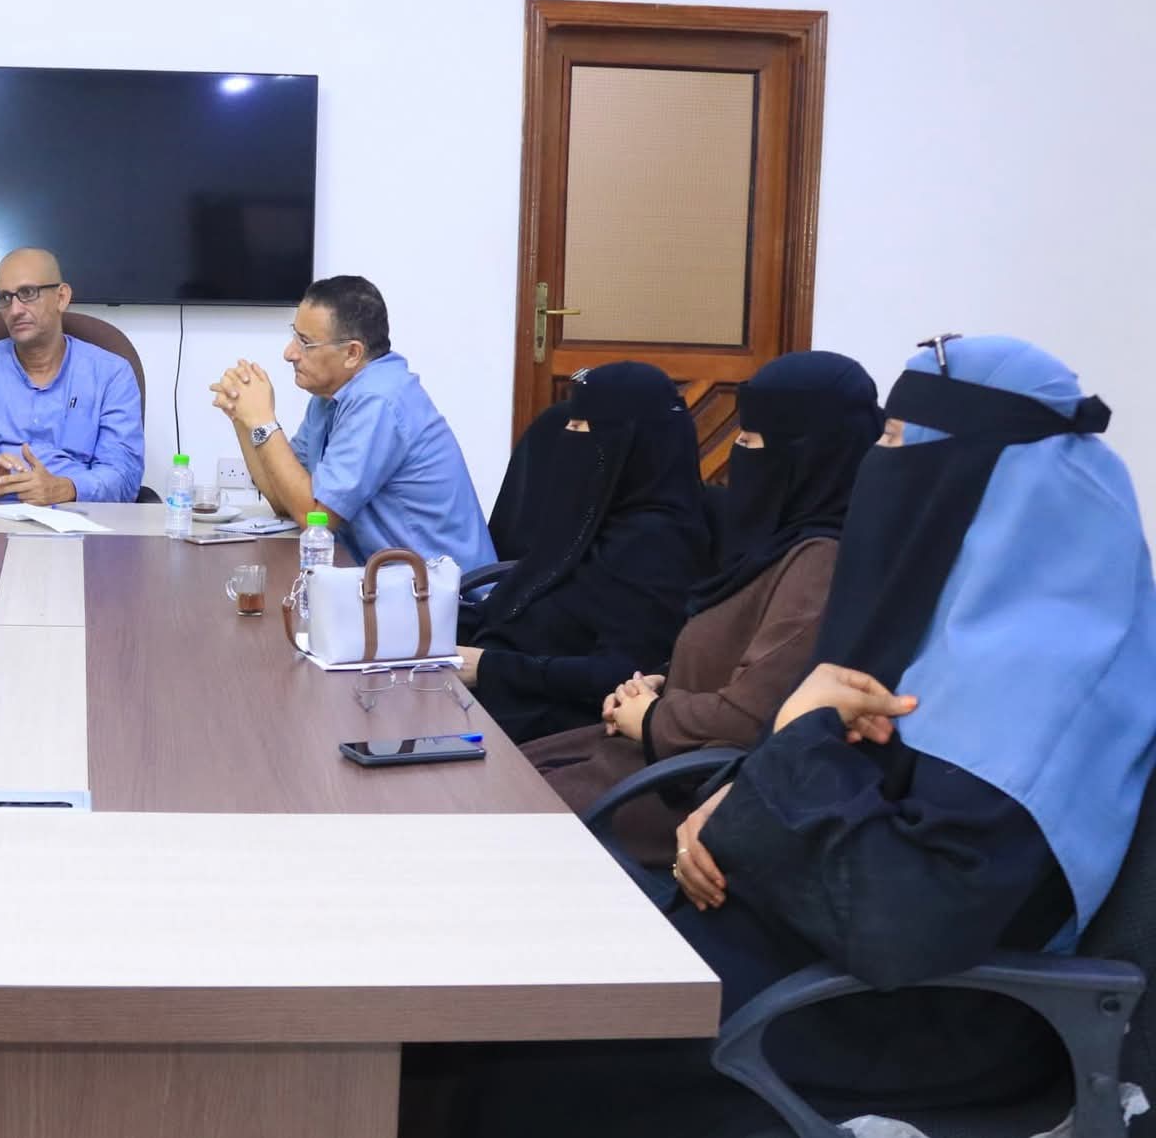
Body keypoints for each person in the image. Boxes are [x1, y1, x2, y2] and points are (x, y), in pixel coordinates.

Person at [406, 335, 1156, 1135]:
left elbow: (902, 916)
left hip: (908, 1016)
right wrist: (743, 792)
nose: (876, 468)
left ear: (981, 476)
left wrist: (784, 753)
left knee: (516, 1043)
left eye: (896, 443)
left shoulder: (1042, 674)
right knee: (491, 978)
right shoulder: (953, 624)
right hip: (800, 943)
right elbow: (831, 785)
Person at [521, 351, 881, 871]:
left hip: (673, 793)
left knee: (473, 817)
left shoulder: (818, 564)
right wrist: (660, 682)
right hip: (640, 753)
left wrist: (653, 716)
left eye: (750, 442)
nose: (737, 457)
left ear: (809, 458)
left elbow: (751, 714)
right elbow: (723, 649)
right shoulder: (773, 545)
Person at [458, 361, 712, 744]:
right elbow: (524, 594)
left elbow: (620, 673)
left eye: (581, 428)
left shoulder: (657, 546)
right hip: (489, 688)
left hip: (548, 723)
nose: (565, 438)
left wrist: (490, 668)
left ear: (629, 444)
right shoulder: (592, 513)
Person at [208, 275, 495, 574]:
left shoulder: (378, 400)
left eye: (305, 343)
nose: (289, 353)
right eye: (294, 335)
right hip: (386, 583)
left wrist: (263, 421)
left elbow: (314, 519)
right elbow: (285, 500)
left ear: (352, 353)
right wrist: (243, 419)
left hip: (443, 592)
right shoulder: (329, 396)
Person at [0, 247, 145, 504]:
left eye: (28, 293)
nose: (15, 309)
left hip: (78, 516)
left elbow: (124, 472)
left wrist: (67, 488)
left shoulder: (111, 374)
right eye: (5, 298)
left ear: (61, 297)